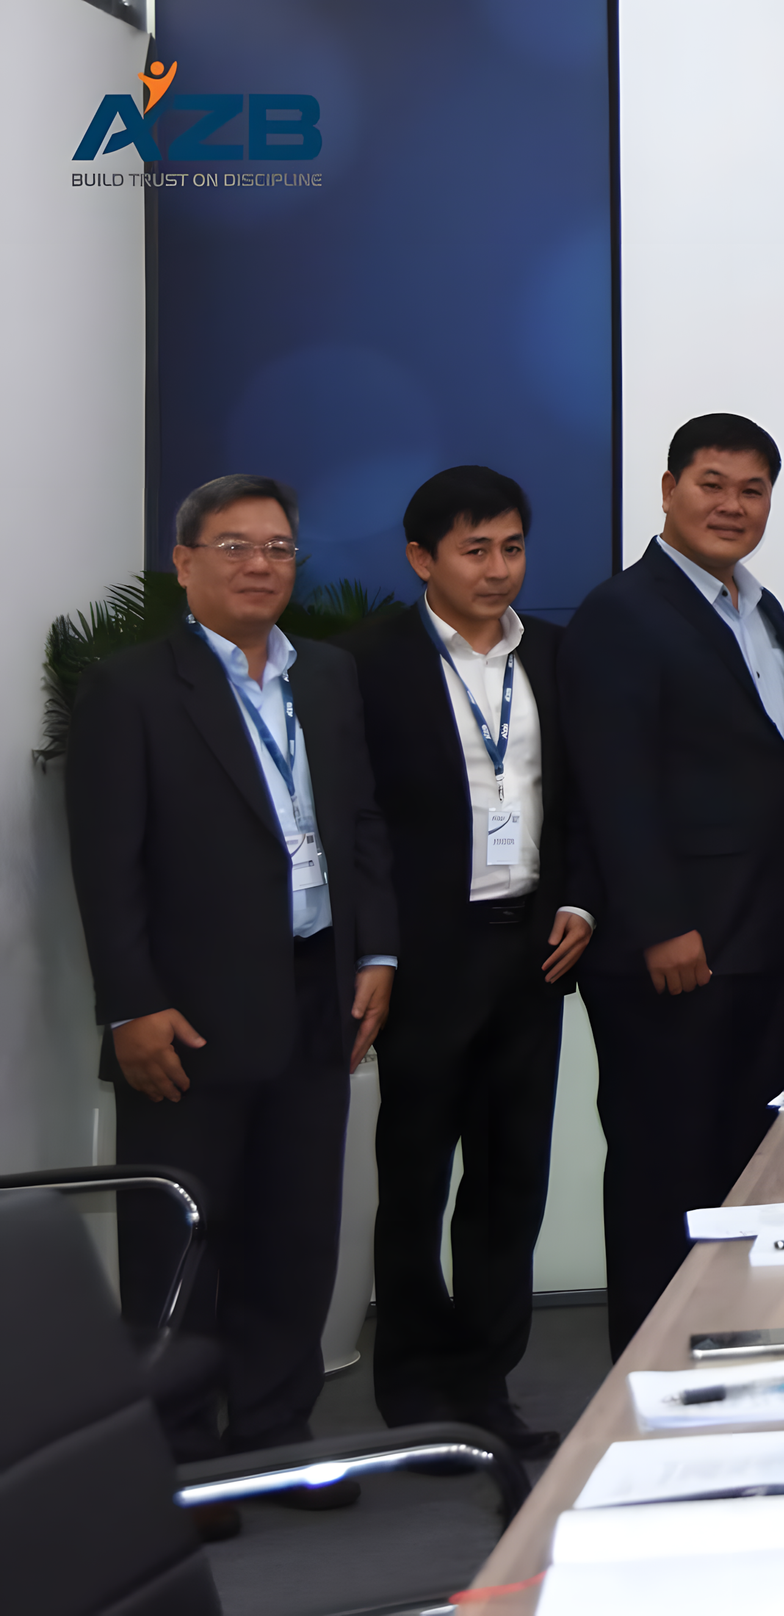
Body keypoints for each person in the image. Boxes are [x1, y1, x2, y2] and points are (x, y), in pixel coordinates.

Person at [67, 474, 396, 1524]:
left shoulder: (327, 676)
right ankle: (180, 1454)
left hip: (316, 986)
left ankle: (274, 1432)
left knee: (295, 1227)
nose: (261, 564)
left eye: (279, 547)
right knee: (182, 1234)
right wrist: (130, 1004)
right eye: (235, 545)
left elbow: (361, 822)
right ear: (185, 562)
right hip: (187, 1010)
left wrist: (378, 952)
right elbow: (105, 863)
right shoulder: (130, 687)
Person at [337, 467, 594, 1455]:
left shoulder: (558, 657)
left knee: (509, 1180)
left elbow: (584, 799)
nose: (498, 569)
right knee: (415, 1182)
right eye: (475, 549)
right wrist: (375, 946)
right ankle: (413, 1387)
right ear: (422, 557)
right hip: (424, 959)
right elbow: (356, 819)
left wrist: (579, 898)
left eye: (512, 548)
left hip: (530, 952)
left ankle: (486, 1385)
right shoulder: (367, 663)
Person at [560, 414, 784, 1356]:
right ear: (668, 490)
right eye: (712, 484)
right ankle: (651, 1369)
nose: (732, 505)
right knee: (665, 1172)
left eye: (752, 490)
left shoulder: (762, 610)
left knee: (754, 1168)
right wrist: (661, 923)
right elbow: (612, 783)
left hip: (768, 946)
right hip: (677, 953)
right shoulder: (621, 613)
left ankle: (736, 1351)